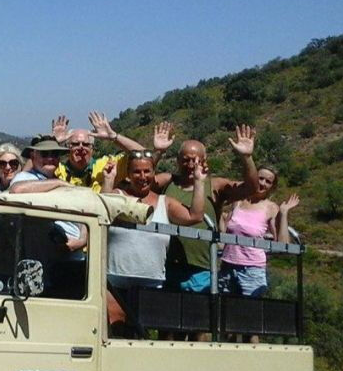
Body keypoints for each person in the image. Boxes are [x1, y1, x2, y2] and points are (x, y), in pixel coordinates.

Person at [101, 154, 207, 337]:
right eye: (136, 172)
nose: (142, 177)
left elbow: (194, 216)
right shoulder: (117, 196)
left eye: (146, 171)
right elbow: (100, 208)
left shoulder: (164, 203)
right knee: (116, 334)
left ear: (153, 173)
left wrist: (199, 182)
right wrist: (109, 181)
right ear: (128, 175)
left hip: (151, 284)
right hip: (115, 281)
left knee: (143, 336)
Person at [159, 125, 259, 293]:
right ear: (177, 160)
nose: (190, 164)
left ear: (204, 160)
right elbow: (141, 179)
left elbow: (251, 188)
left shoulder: (214, 185)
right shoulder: (168, 182)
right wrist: (157, 152)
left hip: (202, 270)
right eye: (185, 159)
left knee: (200, 317)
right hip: (167, 266)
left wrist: (247, 158)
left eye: (195, 160)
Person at [219, 168, 300, 297]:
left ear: (272, 187)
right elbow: (224, 232)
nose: (262, 183)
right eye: (260, 178)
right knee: (223, 311)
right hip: (227, 267)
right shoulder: (238, 201)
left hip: (251, 271)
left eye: (268, 181)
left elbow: (283, 243)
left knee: (250, 313)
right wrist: (217, 208)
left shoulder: (271, 208)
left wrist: (283, 213)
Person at [50, 114, 174, 192]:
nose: (81, 148)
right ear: (67, 147)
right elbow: (32, 165)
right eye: (75, 144)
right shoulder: (56, 169)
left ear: (93, 148)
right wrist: (53, 141)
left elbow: (142, 156)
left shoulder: (106, 165)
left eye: (86, 144)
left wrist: (113, 137)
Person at [8, 135, 86, 252]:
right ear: (33, 157)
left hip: (76, 256)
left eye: (54, 154)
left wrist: (82, 241)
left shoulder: (59, 182)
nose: (50, 158)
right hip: (47, 258)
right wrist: (58, 182)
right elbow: (17, 190)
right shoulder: (25, 177)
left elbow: (83, 215)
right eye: (44, 154)